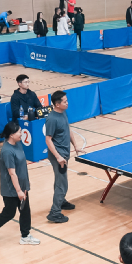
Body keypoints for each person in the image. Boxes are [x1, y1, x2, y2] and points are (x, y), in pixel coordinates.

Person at [0, 121, 39, 246]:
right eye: (19, 131)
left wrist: (25, 181)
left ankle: (25, 236)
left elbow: (22, 165)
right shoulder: (7, 151)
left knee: (25, 210)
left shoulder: (18, 144)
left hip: (22, 184)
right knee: (9, 213)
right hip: (11, 188)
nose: (21, 133)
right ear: (11, 135)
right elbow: (12, 173)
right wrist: (18, 190)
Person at [45, 91, 83, 223]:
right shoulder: (52, 119)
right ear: (57, 104)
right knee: (62, 184)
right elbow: (48, 140)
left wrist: (75, 146)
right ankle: (54, 212)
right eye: (65, 101)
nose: (67, 103)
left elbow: (68, 129)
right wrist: (58, 157)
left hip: (64, 154)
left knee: (59, 181)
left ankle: (61, 201)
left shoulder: (63, 112)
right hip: (58, 156)